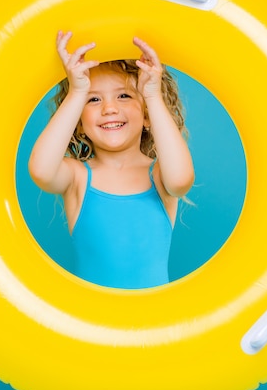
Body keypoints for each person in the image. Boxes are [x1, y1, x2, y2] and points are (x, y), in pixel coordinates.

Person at [28, 31, 194, 289]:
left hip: (154, 324)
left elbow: (182, 180)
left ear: (148, 116)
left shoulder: (161, 175)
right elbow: (41, 170)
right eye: (93, 99)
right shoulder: (78, 177)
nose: (109, 108)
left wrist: (151, 95)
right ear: (79, 123)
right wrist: (76, 92)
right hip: (91, 325)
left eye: (124, 96)